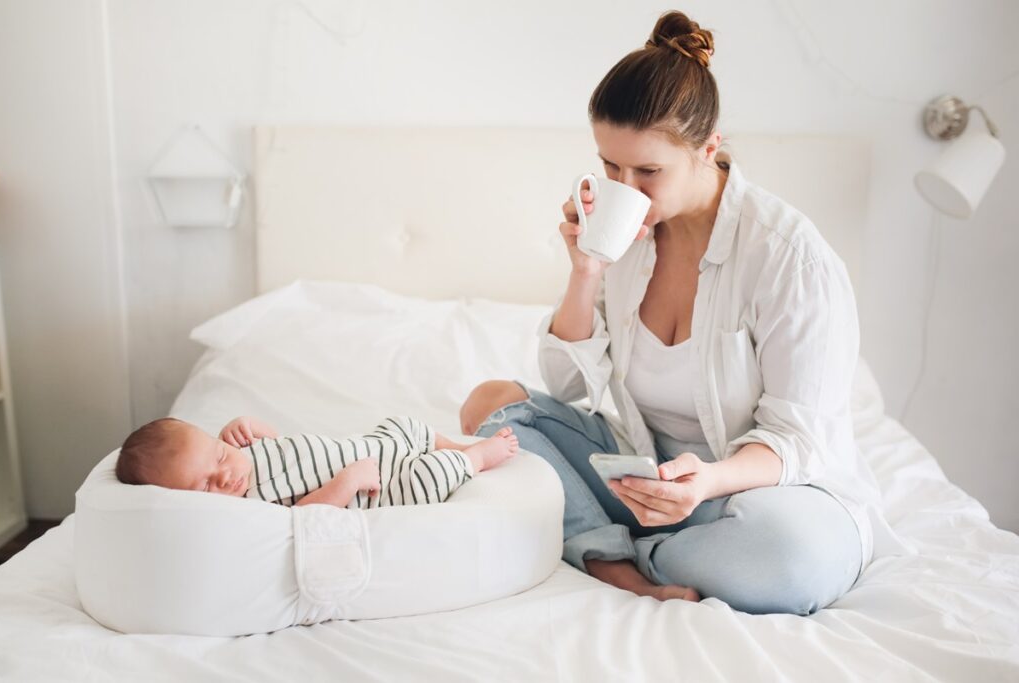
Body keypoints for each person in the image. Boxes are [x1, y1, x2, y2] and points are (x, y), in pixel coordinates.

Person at [458, 10, 886, 615]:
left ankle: (615, 544)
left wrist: (706, 482)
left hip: (758, 494)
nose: (624, 188)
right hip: (644, 476)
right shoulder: (628, 236)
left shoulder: (790, 258)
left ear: (708, 149)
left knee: (793, 562)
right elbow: (569, 384)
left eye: (648, 171)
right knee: (492, 407)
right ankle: (611, 559)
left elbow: (799, 438)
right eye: (610, 167)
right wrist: (586, 271)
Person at [115, 414, 518, 508]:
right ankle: (475, 459)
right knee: (428, 478)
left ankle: (454, 446)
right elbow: (303, 517)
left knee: (405, 423)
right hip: (378, 487)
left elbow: (286, 449)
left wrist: (247, 428)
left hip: (371, 448)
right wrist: (346, 483)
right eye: (204, 486)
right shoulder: (250, 506)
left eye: (218, 456)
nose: (224, 476)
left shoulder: (239, 455)